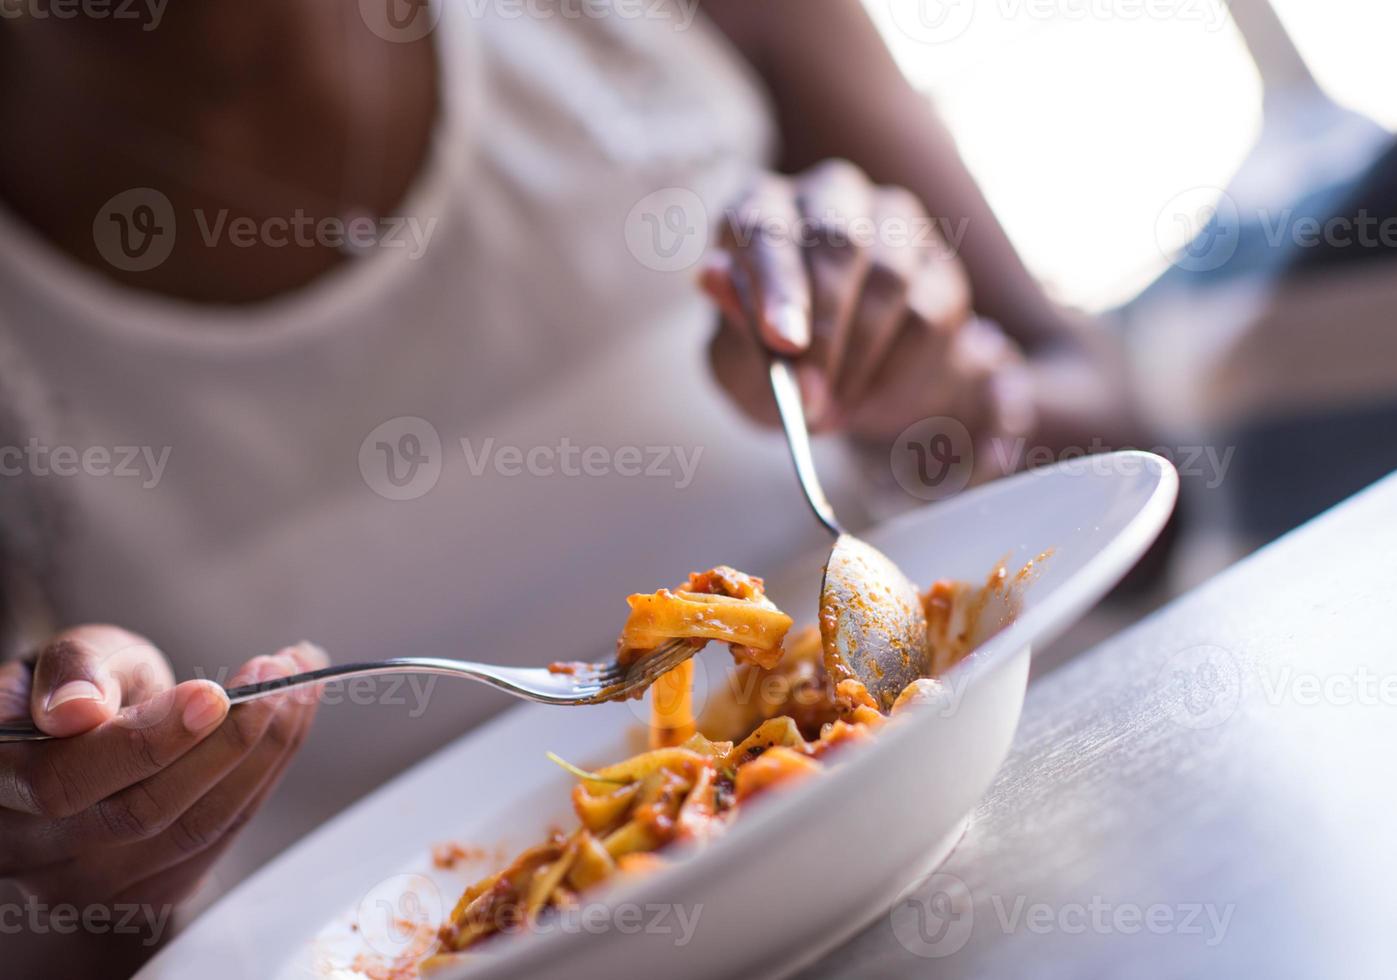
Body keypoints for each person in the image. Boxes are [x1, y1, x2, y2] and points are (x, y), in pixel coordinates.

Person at [0, 1, 1136, 973]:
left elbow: (1126, 438)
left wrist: (946, 406)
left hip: (1015, 859)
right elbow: (54, 931)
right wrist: (102, 845)